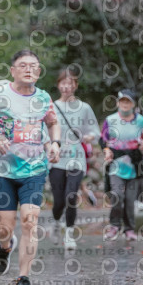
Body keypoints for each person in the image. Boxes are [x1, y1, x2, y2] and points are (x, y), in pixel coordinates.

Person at [0, 49, 61, 285]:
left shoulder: (43, 97)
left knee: (30, 221)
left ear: (39, 71)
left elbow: (52, 122)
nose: (28, 69)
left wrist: (55, 143)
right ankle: (5, 247)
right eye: (23, 65)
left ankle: (24, 277)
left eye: (33, 66)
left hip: (34, 169)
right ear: (13, 71)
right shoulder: (0, 94)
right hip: (4, 169)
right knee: (4, 228)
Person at [48, 70, 100, 250]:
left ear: (75, 86)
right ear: (58, 85)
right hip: (56, 158)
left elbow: (95, 131)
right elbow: (44, 132)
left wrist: (89, 137)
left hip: (76, 157)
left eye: (70, 83)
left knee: (71, 196)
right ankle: (56, 223)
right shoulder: (51, 107)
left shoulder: (84, 108)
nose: (66, 87)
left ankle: (69, 233)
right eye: (63, 83)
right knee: (58, 201)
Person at [100, 89, 143, 241]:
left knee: (130, 200)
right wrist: (106, 151)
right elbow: (103, 140)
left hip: (134, 165)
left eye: (128, 101)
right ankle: (114, 225)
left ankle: (129, 229)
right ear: (118, 102)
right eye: (122, 101)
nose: (124, 104)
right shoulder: (110, 120)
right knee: (117, 195)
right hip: (116, 165)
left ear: (133, 104)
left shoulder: (141, 121)